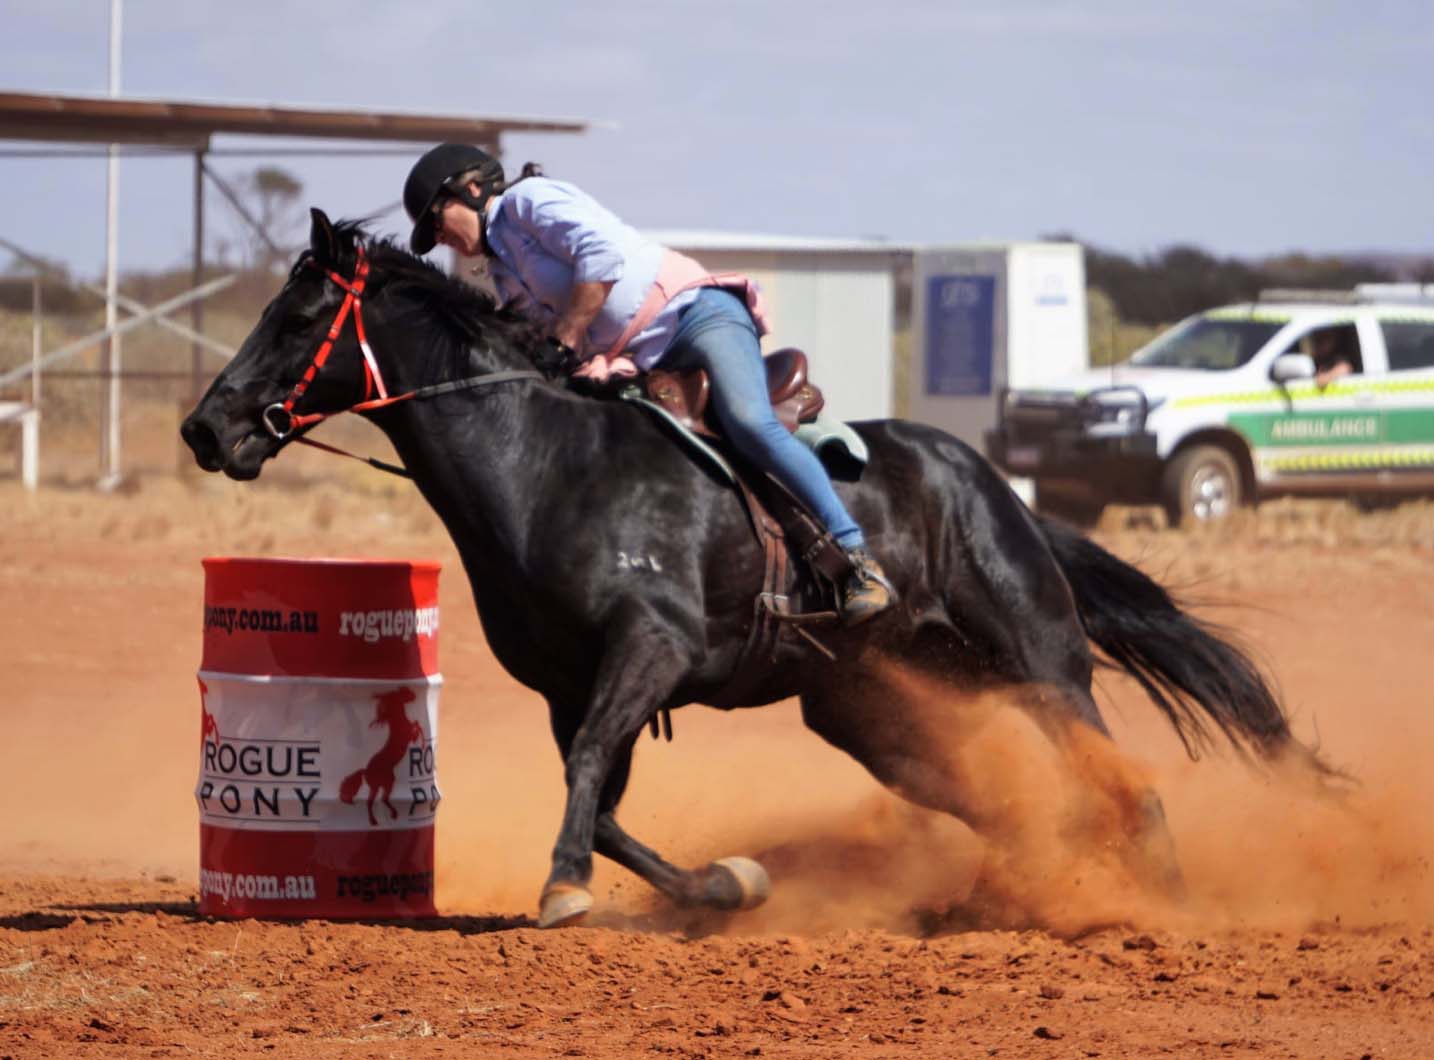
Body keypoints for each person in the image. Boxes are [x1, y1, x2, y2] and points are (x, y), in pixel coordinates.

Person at [402, 143, 893, 626]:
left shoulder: (529, 201)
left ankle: (856, 561)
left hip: (696, 318)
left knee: (749, 422)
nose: (439, 237)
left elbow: (600, 256)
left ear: (471, 188)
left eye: (435, 221)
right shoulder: (501, 268)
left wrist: (569, 337)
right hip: (637, 357)